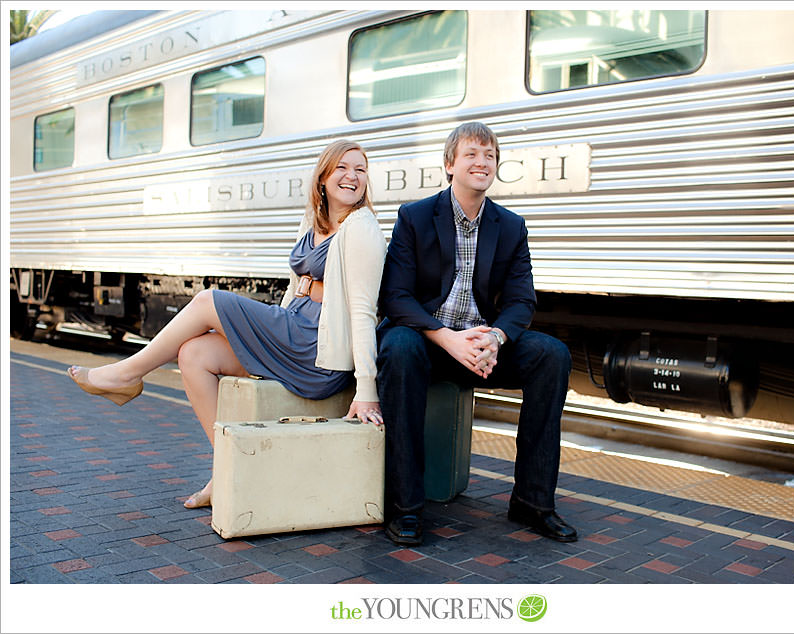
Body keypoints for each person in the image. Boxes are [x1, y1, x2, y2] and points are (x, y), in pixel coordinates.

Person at [68, 139, 387, 509]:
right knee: (194, 353)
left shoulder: (361, 228)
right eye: (342, 168)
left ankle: (126, 374)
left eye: (360, 169)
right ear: (323, 177)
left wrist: (367, 388)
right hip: (293, 330)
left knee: (208, 300)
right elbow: (295, 290)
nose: (352, 176)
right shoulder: (315, 223)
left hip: (317, 351)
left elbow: (364, 311)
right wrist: (296, 302)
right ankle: (225, 471)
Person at [377, 122, 577, 547]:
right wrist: (446, 337)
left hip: (481, 345)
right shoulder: (414, 217)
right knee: (398, 346)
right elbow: (395, 297)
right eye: (471, 154)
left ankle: (532, 501)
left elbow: (522, 301)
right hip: (430, 343)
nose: (481, 162)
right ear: (450, 164)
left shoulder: (510, 226)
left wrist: (496, 340)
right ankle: (405, 508)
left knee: (552, 355)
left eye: (489, 155)